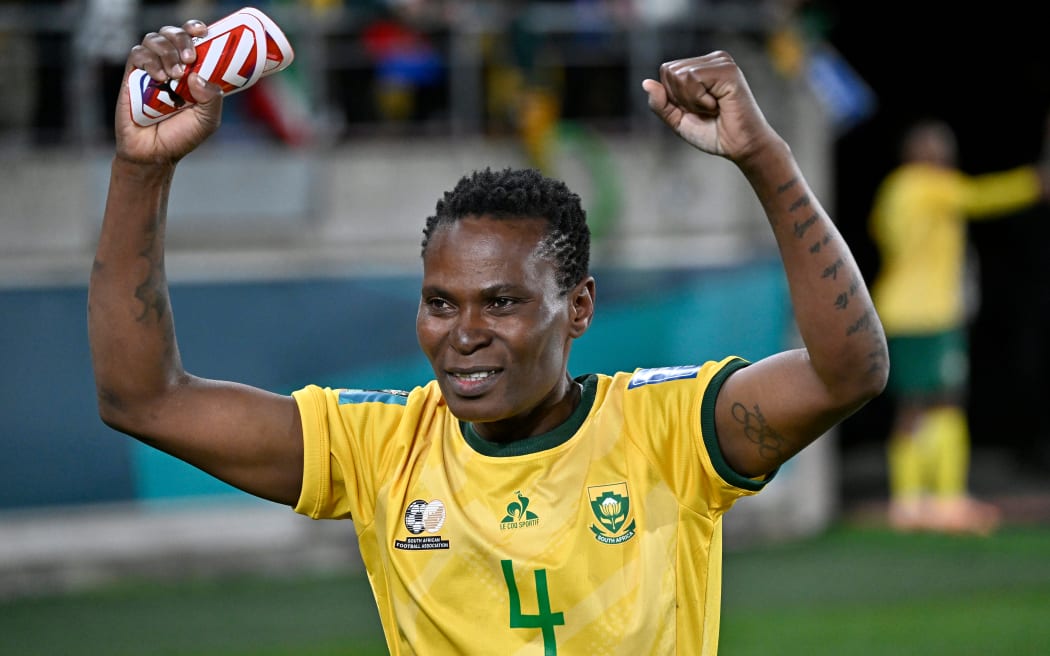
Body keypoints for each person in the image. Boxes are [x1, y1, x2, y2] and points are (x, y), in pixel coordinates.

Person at [88, 17, 888, 655]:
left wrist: (763, 157)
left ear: (578, 308)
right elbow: (144, 400)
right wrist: (141, 167)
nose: (463, 334)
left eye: (501, 303)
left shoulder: (667, 430)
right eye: (441, 303)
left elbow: (847, 371)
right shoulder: (379, 448)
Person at [869, 118, 1048, 536]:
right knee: (944, 401)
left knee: (912, 405)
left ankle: (911, 501)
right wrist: (1034, 183)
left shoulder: (894, 191)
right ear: (927, 155)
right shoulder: (927, 185)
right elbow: (982, 196)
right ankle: (945, 498)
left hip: (897, 312)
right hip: (930, 315)